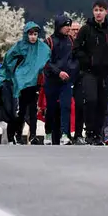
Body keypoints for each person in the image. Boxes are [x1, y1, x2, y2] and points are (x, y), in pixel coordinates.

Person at [73, 2, 108, 145]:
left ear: (106, 12)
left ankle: (97, 134)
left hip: (106, 72)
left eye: (101, 10)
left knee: (103, 104)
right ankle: (89, 132)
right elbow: (76, 48)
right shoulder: (85, 29)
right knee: (91, 100)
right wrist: (87, 61)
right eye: (96, 10)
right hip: (89, 72)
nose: (98, 13)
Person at [1, 22, 52, 145]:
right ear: (26, 34)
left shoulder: (42, 48)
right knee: (21, 111)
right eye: (30, 34)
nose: (33, 37)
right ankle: (17, 134)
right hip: (21, 84)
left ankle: (33, 135)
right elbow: (8, 59)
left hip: (34, 83)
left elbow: (47, 60)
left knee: (33, 110)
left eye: (35, 34)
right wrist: (16, 69)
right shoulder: (19, 46)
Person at [43, 15, 79, 145]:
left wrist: (71, 72)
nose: (68, 28)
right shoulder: (49, 42)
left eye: (69, 25)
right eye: (66, 26)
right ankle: (48, 133)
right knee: (51, 108)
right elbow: (46, 62)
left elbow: (75, 59)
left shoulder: (71, 41)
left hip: (66, 80)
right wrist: (58, 72)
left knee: (66, 106)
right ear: (59, 27)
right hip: (52, 80)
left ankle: (65, 134)